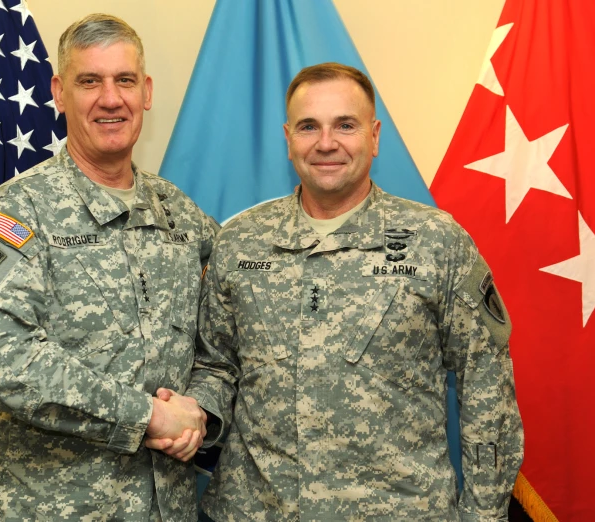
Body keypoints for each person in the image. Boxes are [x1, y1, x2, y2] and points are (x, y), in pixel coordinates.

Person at [180, 63, 524, 520]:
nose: (326, 143)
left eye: (345, 125)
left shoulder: (436, 242)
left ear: (375, 135)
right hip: (256, 510)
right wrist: (192, 416)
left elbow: (487, 385)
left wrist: (484, 515)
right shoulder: (240, 242)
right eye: (308, 127)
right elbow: (216, 365)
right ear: (288, 138)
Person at [0, 14, 216, 521]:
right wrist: (147, 416)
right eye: (89, 81)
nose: (110, 98)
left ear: (146, 92)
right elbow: (0, 360)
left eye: (124, 80)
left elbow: (223, 339)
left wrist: (199, 410)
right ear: (59, 91)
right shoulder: (17, 213)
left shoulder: (182, 217)